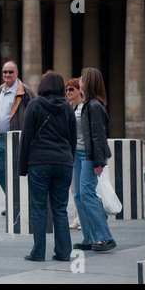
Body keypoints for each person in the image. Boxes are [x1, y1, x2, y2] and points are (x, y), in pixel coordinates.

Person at [18, 71, 77, 261]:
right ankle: (63, 252)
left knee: (39, 208)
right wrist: (69, 159)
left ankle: (38, 252)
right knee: (60, 209)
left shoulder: (35, 105)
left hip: (39, 162)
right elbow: (72, 138)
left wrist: (22, 167)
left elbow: (26, 137)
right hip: (63, 162)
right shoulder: (67, 108)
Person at [73, 67, 116, 252]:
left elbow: (99, 136)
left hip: (89, 156)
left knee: (88, 195)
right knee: (79, 195)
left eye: (81, 78)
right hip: (77, 154)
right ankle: (90, 238)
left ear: (88, 82)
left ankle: (105, 237)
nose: (78, 80)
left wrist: (99, 162)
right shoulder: (82, 103)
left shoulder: (94, 106)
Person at [0, 60, 35, 216]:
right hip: (2, 138)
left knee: (21, 171)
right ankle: (12, 200)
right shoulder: (1, 90)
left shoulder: (25, 92)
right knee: (1, 171)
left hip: (18, 137)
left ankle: (25, 202)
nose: (7, 75)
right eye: (5, 72)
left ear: (17, 73)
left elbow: (34, 113)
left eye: (11, 72)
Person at [65, 78, 82, 230]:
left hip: (83, 151)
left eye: (72, 89)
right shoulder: (68, 107)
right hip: (71, 151)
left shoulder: (85, 107)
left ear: (80, 91)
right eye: (67, 90)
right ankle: (77, 218)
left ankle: (84, 218)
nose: (69, 92)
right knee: (73, 187)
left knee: (84, 187)